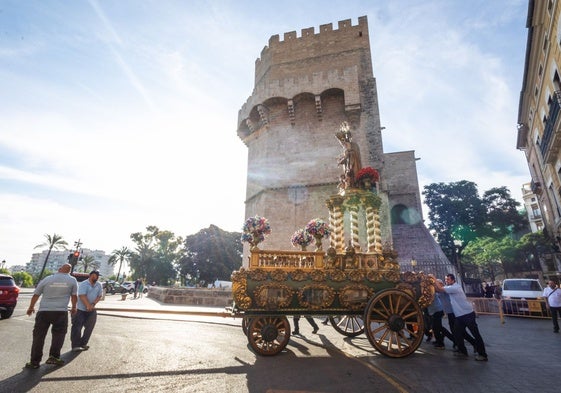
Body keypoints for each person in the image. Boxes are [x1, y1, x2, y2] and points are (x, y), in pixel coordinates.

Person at [25, 263, 78, 369]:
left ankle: (34, 362)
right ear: (69, 271)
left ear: (59, 269)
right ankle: (54, 356)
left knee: (39, 336)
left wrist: (31, 307)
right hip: (60, 312)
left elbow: (36, 294)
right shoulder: (72, 280)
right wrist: (74, 308)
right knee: (59, 335)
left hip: (44, 311)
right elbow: (74, 296)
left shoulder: (47, 279)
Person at [434, 274, 488, 361]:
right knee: (457, 332)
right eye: (446, 279)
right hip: (459, 316)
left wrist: (433, 278)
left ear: (453, 280)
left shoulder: (455, 287)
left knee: (476, 334)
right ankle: (462, 351)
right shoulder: (450, 288)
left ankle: (483, 354)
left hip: (468, 314)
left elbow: (440, 289)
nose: (446, 281)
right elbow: (438, 290)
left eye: (448, 279)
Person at [71, 270, 103, 351]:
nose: (97, 277)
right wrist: (87, 305)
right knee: (77, 327)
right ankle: (75, 345)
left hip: (92, 310)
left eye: (98, 276)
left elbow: (99, 296)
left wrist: (92, 305)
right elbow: (82, 295)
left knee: (89, 327)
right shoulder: (84, 284)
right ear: (91, 275)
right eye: (96, 276)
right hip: (81, 309)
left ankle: (83, 343)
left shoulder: (99, 285)